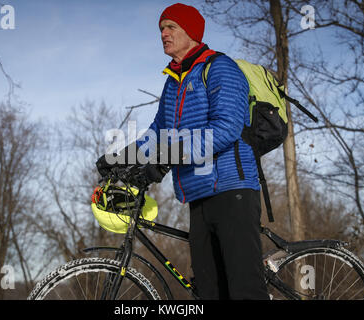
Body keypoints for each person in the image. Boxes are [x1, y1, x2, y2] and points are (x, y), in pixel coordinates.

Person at [97, 3, 269, 300]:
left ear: (191, 31)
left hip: (233, 190)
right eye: (161, 28)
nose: (163, 33)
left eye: (171, 27)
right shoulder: (173, 83)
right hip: (197, 194)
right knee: (208, 291)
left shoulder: (220, 68)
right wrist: (120, 157)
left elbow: (226, 128)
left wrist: (166, 157)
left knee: (243, 290)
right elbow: (157, 134)